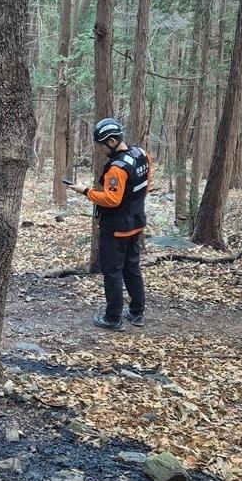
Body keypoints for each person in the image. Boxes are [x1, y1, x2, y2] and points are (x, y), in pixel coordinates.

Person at [74, 117, 152, 331]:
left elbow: (112, 199)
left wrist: (86, 192)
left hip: (117, 227)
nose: (101, 149)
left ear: (111, 141)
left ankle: (113, 318)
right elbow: (147, 184)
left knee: (113, 271)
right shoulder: (141, 155)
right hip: (136, 222)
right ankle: (137, 313)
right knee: (132, 268)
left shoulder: (117, 168)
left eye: (102, 145)